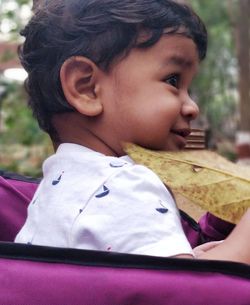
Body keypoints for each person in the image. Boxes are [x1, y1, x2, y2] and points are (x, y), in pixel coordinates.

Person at [15, 0, 250, 264]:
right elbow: (183, 293)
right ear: (86, 87)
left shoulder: (58, 190)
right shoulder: (123, 185)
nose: (192, 107)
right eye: (173, 80)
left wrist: (190, 258)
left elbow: (129, 279)